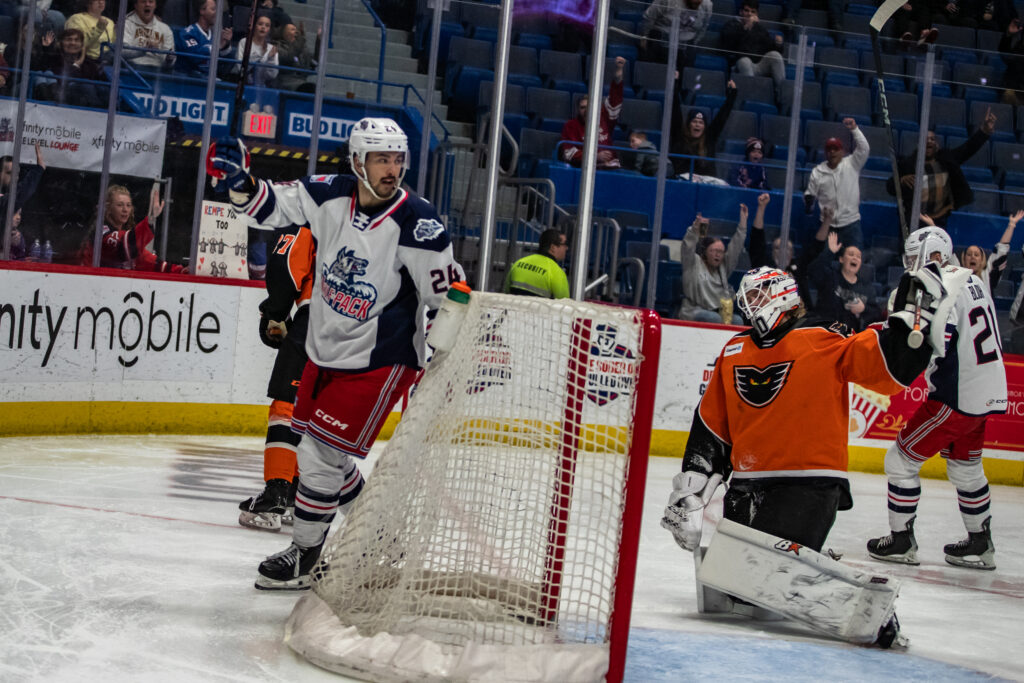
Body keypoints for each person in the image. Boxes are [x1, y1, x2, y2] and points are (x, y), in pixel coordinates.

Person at [208, 117, 465, 590]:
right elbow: (270, 205)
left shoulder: (420, 225)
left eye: (397, 159)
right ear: (357, 161)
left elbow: (449, 297)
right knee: (320, 457)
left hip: (379, 360)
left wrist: (444, 354)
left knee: (321, 455)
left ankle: (306, 555)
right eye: (381, 159)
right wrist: (240, 183)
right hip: (322, 350)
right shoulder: (328, 194)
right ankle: (379, 536)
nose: (392, 169)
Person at [661, 264, 937, 647]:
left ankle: (865, 605)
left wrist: (912, 325)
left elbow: (885, 368)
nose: (747, 304)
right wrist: (690, 492)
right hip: (746, 488)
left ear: (782, 295)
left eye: (756, 295)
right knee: (737, 594)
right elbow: (711, 425)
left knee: (765, 581)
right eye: (747, 297)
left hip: (807, 484)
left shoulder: (823, 337)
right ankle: (816, 561)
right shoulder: (734, 349)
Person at [866, 225, 1007, 571]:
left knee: (900, 461)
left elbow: (930, 344)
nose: (910, 265)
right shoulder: (969, 277)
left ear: (933, 256)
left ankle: (900, 540)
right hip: (985, 391)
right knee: (966, 468)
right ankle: (979, 544)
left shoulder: (938, 284)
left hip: (954, 396)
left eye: (916, 257)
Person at [237, 223, 314, 532]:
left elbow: (286, 270)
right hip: (358, 332)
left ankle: (276, 496)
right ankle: (299, 496)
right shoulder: (373, 226)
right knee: (313, 411)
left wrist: (275, 313)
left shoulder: (313, 219)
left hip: (317, 320)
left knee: (287, 405)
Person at [887, 109, 997, 228]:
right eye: (925, 139)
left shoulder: (947, 160)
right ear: (918, 145)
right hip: (913, 220)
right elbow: (890, 186)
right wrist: (901, 181)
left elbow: (968, 148)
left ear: (937, 144)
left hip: (939, 220)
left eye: (932, 139)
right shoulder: (907, 164)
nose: (929, 141)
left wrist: (984, 132)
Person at [78, 184, 187, 272]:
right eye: (120, 205)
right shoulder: (101, 233)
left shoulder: (124, 236)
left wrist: (180, 270)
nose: (125, 210)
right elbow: (125, 245)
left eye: (128, 205)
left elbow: (146, 260)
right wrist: (150, 218)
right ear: (109, 208)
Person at [803, 118, 869, 249]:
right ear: (825, 153)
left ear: (842, 151)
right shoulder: (817, 171)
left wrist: (854, 129)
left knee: (855, 259)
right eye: (829, 149)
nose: (832, 152)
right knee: (820, 262)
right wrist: (809, 200)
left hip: (851, 224)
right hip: (827, 225)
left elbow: (864, 148)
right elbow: (810, 194)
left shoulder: (852, 164)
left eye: (835, 149)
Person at [677, 207, 747, 324]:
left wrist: (743, 223)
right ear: (705, 252)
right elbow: (687, 245)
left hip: (719, 312)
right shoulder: (692, 263)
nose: (718, 255)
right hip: (694, 311)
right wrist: (695, 228)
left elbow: (736, 247)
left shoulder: (723, 268)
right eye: (714, 251)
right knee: (713, 318)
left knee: (738, 320)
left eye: (721, 252)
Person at [559, 56, 626, 169]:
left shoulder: (604, 119)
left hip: (610, 168)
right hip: (585, 169)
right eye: (582, 107)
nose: (586, 110)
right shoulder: (571, 126)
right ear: (578, 110)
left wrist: (618, 78)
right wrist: (595, 157)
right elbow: (569, 152)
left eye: (589, 107)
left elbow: (615, 102)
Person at [808, 231, 884, 332]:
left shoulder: (867, 287)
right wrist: (829, 252)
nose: (855, 258)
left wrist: (863, 309)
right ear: (841, 259)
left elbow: (877, 315)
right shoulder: (830, 277)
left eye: (858, 256)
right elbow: (813, 271)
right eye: (851, 254)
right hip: (825, 332)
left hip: (849, 338)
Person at [670, 77, 737, 183]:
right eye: (694, 121)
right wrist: (674, 84)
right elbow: (675, 111)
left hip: (705, 184)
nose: (697, 125)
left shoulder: (708, 139)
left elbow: (721, 118)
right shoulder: (679, 137)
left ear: (705, 127)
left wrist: (732, 94)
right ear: (688, 124)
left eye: (701, 122)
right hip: (683, 182)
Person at [719, 0, 785, 95]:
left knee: (775, 55)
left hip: (758, 65)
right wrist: (746, 28)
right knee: (745, 61)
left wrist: (778, 44)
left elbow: (770, 48)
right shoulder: (731, 25)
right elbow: (731, 47)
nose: (749, 14)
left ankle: (781, 94)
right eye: (746, 10)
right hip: (739, 64)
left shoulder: (760, 29)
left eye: (753, 12)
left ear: (757, 14)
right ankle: (751, 94)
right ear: (741, 12)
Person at [32, 27, 105, 107]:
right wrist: (76, 65)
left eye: (77, 40)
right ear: (60, 43)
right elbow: (62, 80)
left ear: (82, 45)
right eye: (68, 40)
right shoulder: (54, 60)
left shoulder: (90, 65)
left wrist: (81, 59)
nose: (72, 43)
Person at [960, 209, 1021, 296]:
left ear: (982, 260)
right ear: (964, 259)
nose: (972, 257)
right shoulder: (956, 275)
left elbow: (1002, 248)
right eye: (969, 254)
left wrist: (1011, 225)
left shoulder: (987, 274)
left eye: (976, 255)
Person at [639, 0, 711, 70]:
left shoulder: (707, 5)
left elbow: (703, 28)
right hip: (661, 39)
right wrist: (645, 36)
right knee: (656, 73)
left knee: (685, 76)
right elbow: (649, 17)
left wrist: (693, 43)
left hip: (687, 45)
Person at [502, 229, 570, 299]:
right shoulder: (557, 273)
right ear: (553, 247)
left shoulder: (519, 263)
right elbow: (564, 305)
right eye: (564, 244)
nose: (566, 248)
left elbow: (506, 292)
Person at [175, 0, 233, 78]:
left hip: (208, 81)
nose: (217, 13)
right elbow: (195, 57)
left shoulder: (214, 35)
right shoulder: (187, 33)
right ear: (202, 11)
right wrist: (217, 47)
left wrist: (225, 44)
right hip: (188, 82)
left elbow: (224, 67)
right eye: (213, 9)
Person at [123, 0, 175, 71]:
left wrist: (169, 59)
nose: (147, 4)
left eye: (151, 2)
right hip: (132, 68)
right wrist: (144, 50)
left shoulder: (165, 29)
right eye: (143, 2)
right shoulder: (126, 24)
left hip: (158, 72)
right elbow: (122, 51)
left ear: (155, 6)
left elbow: (170, 63)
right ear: (136, 6)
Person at [273, 22, 319, 91]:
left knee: (315, 89)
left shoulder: (301, 48)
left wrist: (319, 41)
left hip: (302, 82)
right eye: (292, 29)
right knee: (308, 89)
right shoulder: (277, 46)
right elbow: (289, 57)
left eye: (296, 29)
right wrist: (301, 39)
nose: (296, 32)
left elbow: (314, 61)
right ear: (284, 33)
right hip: (285, 82)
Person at [235, 13, 278, 87]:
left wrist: (270, 59)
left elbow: (272, 75)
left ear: (269, 30)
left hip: (261, 87)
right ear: (254, 26)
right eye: (260, 24)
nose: (263, 27)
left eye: (267, 25)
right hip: (242, 84)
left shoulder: (272, 49)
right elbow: (239, 67)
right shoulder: (244, 42)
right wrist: (257, 57)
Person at [999, 17, 1024, 105]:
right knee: (1009, 94)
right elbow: (1006, 56)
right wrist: (1008, 35)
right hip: (1016, 91)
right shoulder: (1020, 47)